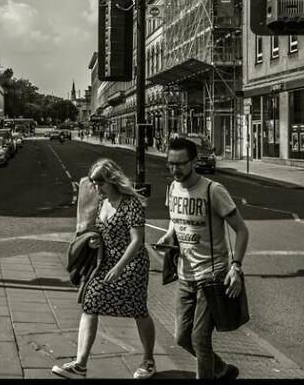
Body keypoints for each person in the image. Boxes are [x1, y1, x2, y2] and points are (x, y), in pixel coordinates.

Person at [52, 158, 156, 380]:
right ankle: (80, 364)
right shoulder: (102, 202)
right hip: (106, 262)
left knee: (139, 310)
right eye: (95, 183)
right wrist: (93, 241)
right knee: (90, 303)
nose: (97, 188)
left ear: (112, 180)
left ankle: (148, 360)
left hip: (132, 264)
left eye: (101, 183)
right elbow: (99, 230)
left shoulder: (131, 204)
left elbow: (137, 241)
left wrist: (119, 268)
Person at [156, 136, 249, 381]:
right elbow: (175, 219)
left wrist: (235, 267)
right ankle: (221, 370)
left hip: (212, 275)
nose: (174, 169)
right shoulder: (173, 187)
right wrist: (168, 235)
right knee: (182, 337)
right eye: (170, 164)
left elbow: (241, 230)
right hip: (185, 275)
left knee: (199, 339)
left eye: (180, 164)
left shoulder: (213, 191)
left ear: (194, 161)